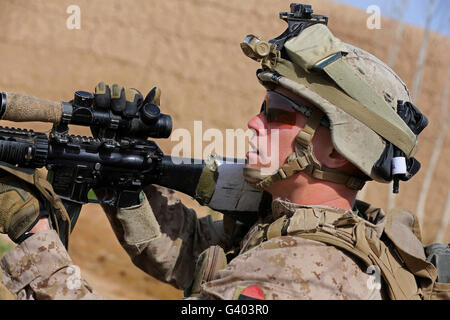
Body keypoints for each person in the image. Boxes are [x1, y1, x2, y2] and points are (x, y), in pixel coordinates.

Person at [0, 4, 442, 300]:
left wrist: (37, 238)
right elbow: (196, 256)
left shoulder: (301, 273)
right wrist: (124, 184)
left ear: (338, 150)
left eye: (278, 113)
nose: (255, 122)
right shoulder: (299, 232)